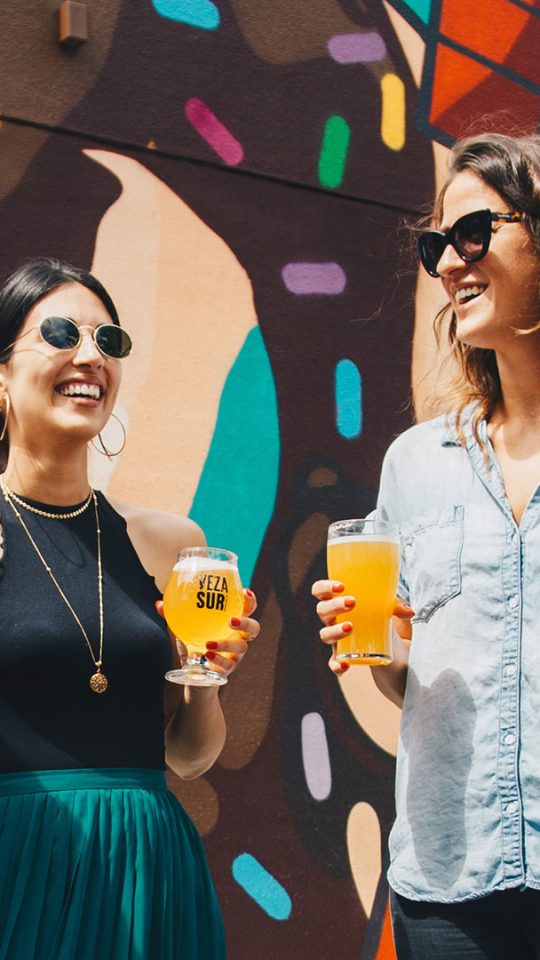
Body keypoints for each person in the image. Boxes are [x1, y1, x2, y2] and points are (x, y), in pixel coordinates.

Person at [313, 132, 540, 958]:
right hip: (449, 889)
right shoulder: (415, 463)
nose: (449, 263)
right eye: (436, 244)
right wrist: (378, 648)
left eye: (473, 234)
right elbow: (410, 677)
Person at [0, 257, 259, 960]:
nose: (90, 355)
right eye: (59, 332)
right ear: (2, 373)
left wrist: (208, 678)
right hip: (22, 865)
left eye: (108, 341)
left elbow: (188, 756)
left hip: (149, 869)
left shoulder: (176, 545)